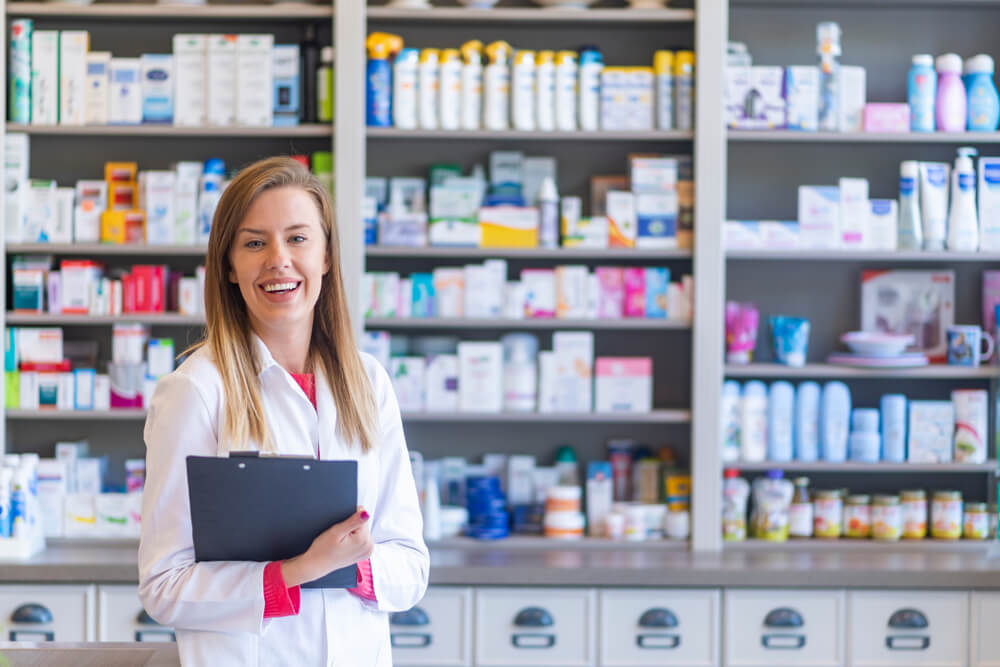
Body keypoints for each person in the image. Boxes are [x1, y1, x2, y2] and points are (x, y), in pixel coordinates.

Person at [138, 156, 429, 666]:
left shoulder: (368, 383)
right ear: (229, 266)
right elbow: (163, 585)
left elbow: (410, 567)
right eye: (255, 243)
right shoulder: (196, 392)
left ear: (327, 257)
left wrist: (355, 567)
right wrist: (298, 570)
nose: (279, 260)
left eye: (298, 238)